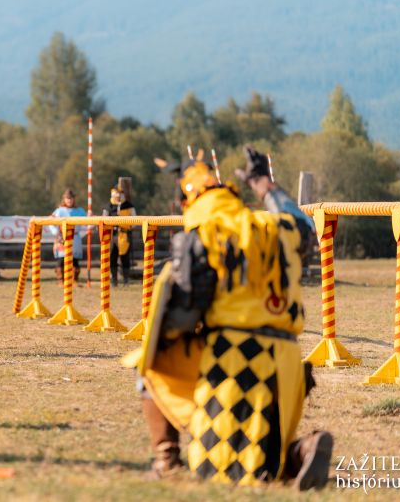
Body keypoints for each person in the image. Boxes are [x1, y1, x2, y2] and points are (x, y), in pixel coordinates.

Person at [123, 148, 331, 491]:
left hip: (234, 360)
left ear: (188, 202)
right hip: (289, 365)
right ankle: (302, 450)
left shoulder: (204, 235)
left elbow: (181, 319)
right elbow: (305, 224)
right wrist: (265, 186)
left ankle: (167, 461)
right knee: (262, 457)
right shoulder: (276, 226)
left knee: (149, 362)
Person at [49, 189, 87, 285]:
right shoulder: (59, 211)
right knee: (61, 259)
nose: (69, 200)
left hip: (75, 238)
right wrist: (56, 234)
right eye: (67, 198)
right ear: (64, 199)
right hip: (63, 238)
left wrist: (89, 216)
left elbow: (87, 223)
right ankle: (61, 281)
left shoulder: (80, 211)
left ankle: (74, 281)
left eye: (71, 198)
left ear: (74, 199)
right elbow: (51, 222)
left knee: (74, 260)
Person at [102, 186, 136, 286]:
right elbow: (104, 219)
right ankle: (114, 280)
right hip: (112, 235)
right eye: (115, 193)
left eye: (119, 194)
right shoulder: (108, 206)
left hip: (124, 234)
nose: (117, 196)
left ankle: (126, 280)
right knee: (112, 256)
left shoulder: (128, 205)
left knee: (125, 257)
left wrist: (127, 227)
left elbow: (134, 219)